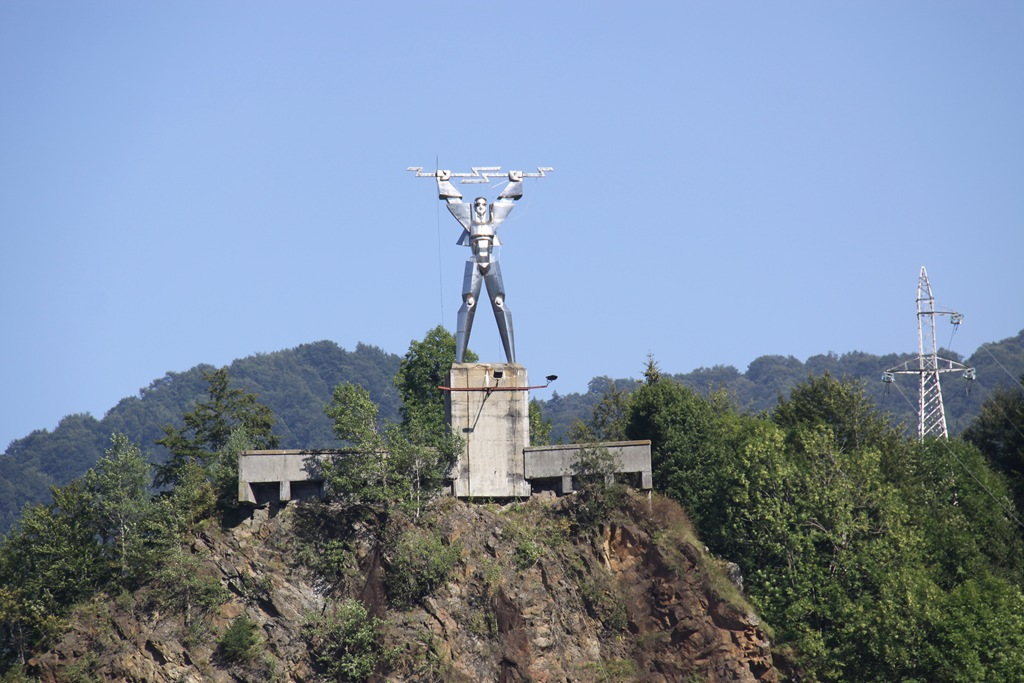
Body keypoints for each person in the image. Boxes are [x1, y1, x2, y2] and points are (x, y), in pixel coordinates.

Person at [435, 169, 525, 363]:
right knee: (469, 302)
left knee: (499, 303)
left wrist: (515, 182)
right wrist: (445, 181)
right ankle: (459, 360)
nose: (481, 207)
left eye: (483, 204)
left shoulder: (494, 221)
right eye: (477, 204)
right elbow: (454, 201)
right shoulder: (470, 221)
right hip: (474, 262)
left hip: (491, 261)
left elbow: (506, 201)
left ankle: (512, 360)